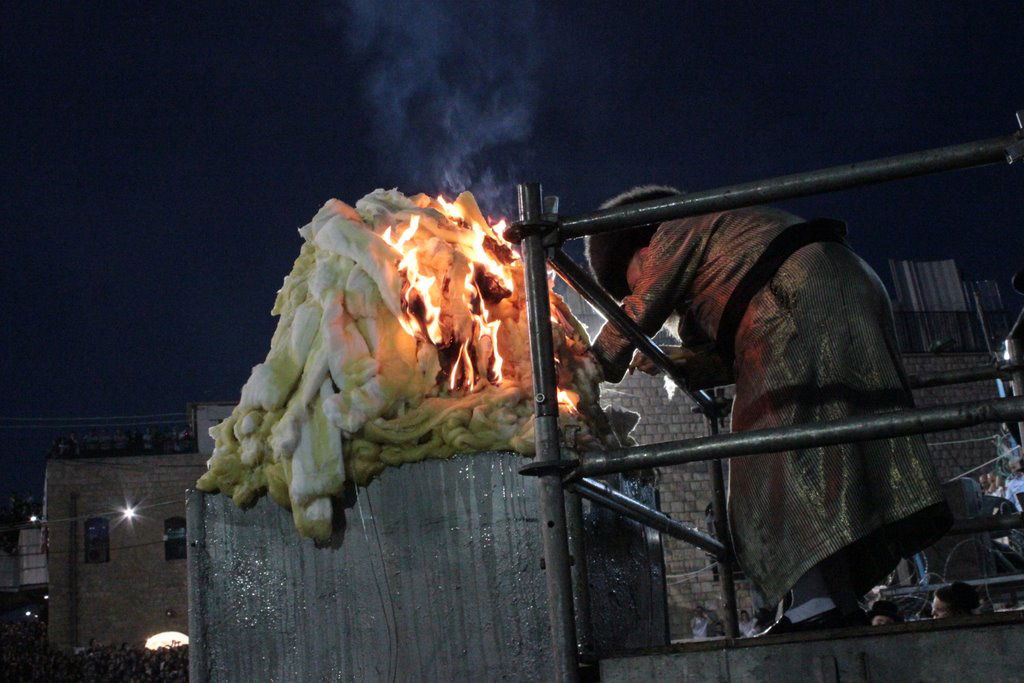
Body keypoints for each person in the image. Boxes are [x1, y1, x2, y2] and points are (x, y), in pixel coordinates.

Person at [586, 186, 953, 631]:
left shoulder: (674, 227)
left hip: (798, 291)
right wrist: (677, 364)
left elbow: (639, 310)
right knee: (827, 457)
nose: (639, 287)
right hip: (838, 284)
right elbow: (727, 350)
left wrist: (582, 365)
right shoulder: (729, 246)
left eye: (634, 277)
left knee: (767, 457)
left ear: (642, 246)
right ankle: (831, 599)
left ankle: (815, 605)